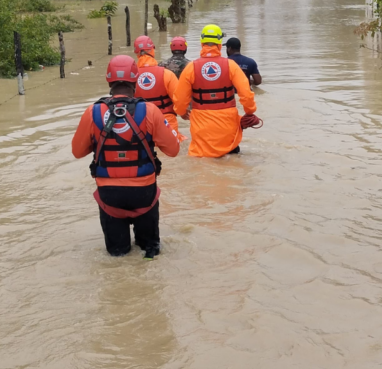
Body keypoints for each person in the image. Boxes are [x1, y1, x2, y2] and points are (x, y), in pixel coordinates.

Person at [71, 56, 180, 258]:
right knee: (150, 253)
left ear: (109, 82)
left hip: (109, 194)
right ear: (135, 80)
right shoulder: (150, 110)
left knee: (117, 256)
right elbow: (173, 150)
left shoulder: (92, 112)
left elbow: (77, 152)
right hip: (144, 192)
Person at [173, 24, 259, 158]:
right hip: (227, 125)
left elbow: (179, 99)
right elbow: (246, 93)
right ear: (219, 44)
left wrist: (182, 112)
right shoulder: (231, 65)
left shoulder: (191, 67)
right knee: (232, 160)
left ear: (201, 43)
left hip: (201, 126)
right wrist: (250, 112)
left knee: (202, 162)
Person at [133, 35, 185, 142]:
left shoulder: (131, 77)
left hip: (141, 124)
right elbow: (179, 99)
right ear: (152, 50)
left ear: (136, 53)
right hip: (167, 122)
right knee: (175, 146)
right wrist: (183, 113)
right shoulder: (167, 74)